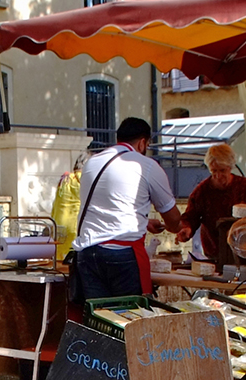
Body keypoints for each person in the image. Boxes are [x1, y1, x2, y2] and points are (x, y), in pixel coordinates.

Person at [71, 117, 184, 300]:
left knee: (99, 318)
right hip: (123, 256)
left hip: (88, 254)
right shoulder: (146, 166)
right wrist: (179, 227)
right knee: (131, 319)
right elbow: (173, 219)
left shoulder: (92, 163)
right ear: (142, 143)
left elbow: (107, 206)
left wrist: (145, 222)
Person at [175, 143, 246, 262]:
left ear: (231, 167)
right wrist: (187, 229)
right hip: (214, 250)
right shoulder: (202, 191)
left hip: (243, 248)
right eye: (214, 171)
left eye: (222, 170)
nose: (218, 176)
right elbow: (191, 217)